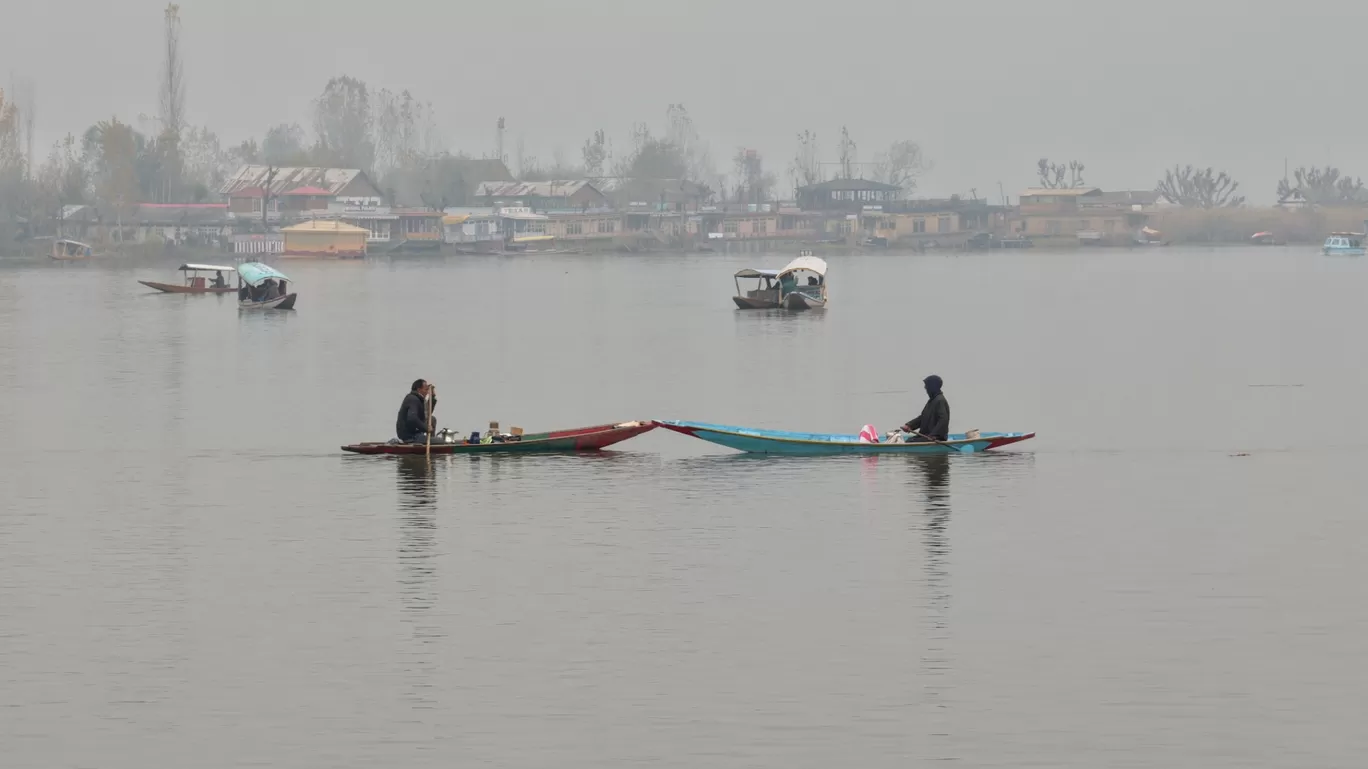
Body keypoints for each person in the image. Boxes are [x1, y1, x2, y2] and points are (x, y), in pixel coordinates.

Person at [900, 374, 950, 442]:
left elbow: (943, 420)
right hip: (926, 435)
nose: (925, 387)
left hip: (935, 438)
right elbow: (923, 417)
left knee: (910, 441)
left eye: (927, 385)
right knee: (909, 440)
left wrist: (934, 435)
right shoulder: (932, 400)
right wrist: (909, 425)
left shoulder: (940, 400)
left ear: (933, 387)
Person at [396, 379, 437, 444]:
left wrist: (432, 397)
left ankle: (430, 440)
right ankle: (432, 442)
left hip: (416, 433)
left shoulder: (419, 399)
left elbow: (427, 415)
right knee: (442, 441)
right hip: (410, 436)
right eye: (426, 390)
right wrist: (426, 428)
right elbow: (412, 418)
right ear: (419, 390)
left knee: (432, 419)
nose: (427, 392)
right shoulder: (413, 399)